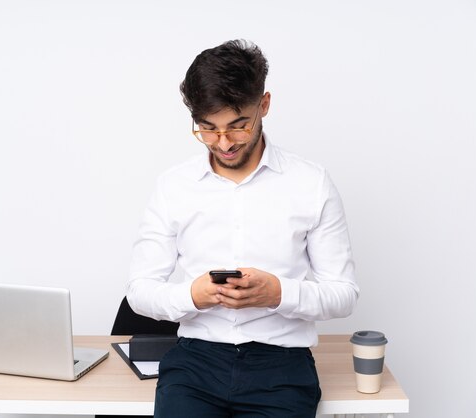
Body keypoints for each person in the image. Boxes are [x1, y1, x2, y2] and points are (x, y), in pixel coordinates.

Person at [127, 39, 359, 418]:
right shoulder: (173, 186)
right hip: (194, 365)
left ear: (264, 105)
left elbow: (344, 294)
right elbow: (140, 291)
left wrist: (278, 293)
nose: (224, 143)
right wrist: (193, 296)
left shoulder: (311, 183)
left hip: (282, 367)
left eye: (238, 126)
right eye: (207, 129)